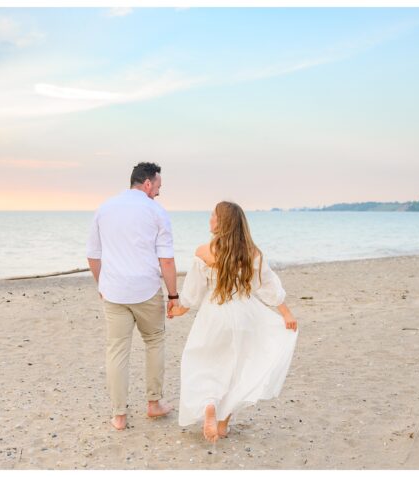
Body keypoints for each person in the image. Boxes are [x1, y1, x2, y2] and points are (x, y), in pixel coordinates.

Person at [169, 201, 299, 443]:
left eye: (213, 215)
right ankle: (223, 422)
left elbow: (193, 292)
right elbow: (268, 287)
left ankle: (209, 403)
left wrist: (179, 309)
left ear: (223, 222)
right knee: (238, 367)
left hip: (213, 315)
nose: (210, 219)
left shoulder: (202, 252)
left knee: (205, 361)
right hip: (244, 315)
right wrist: (286, 313)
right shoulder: (252, 254)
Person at [86, 162, 181, 431]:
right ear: (148, 183)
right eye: (159, 187)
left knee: (117, 350)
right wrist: (173, 295)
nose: (159, 192)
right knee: (154, 341)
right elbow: (167, 260)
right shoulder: (156, 211)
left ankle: (119, 416)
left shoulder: (104, 209)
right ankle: (153, 404)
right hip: (146, 289)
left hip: (114, 291)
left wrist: (101, 284)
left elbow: (93, 255)